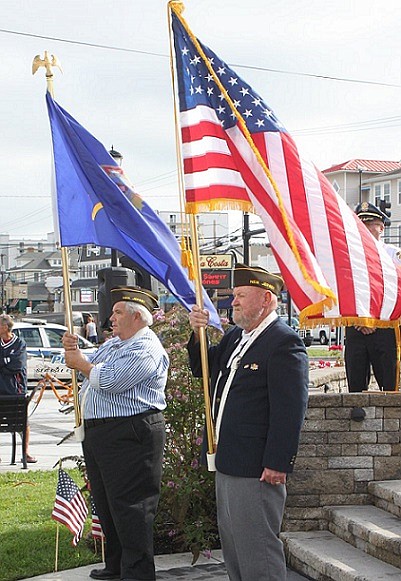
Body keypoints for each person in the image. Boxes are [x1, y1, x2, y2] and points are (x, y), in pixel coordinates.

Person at [187, 264, 309, 581]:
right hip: (227, 459)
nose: (233, 302)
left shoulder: (283, 342)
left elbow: (290, 410)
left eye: (241, 295)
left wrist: (278, 462)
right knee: (235, 550)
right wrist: (197, 333)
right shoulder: (235, 338)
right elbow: (203, 369)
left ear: (266, 298)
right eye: (233, 296)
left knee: (258, 552)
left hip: (257, 467)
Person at [62, 286, 168, 581]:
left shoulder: (146, 347)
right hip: (105, 434)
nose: (111, 318)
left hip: (130, 433)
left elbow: (108, 380)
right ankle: (118, 565)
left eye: (118, 312)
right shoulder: (115, 344)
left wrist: (81, 363)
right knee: (108, 504)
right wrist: (74, 350)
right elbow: (91, 360)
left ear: (138, 316)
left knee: (132, 507)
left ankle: (137, 573)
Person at [345, 202, 401, 392]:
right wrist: (359, 319)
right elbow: (344, 291)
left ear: (382, 227)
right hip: (356, 327)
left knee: (390, 387)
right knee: (355, 389)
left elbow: (397, 292)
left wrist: (375, 321)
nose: (367, 230)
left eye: (372, 224)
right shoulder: (347, 257)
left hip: (385, 328)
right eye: (362, 225)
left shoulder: (393, 255)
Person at [0, 314, 37, 464]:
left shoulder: (19, 344)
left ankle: (25, 452)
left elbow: (17, 366)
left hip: (16, 393)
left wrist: (3, 364)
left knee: (23, 422)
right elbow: (9, 364)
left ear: (4, 327)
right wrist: (6, 362)